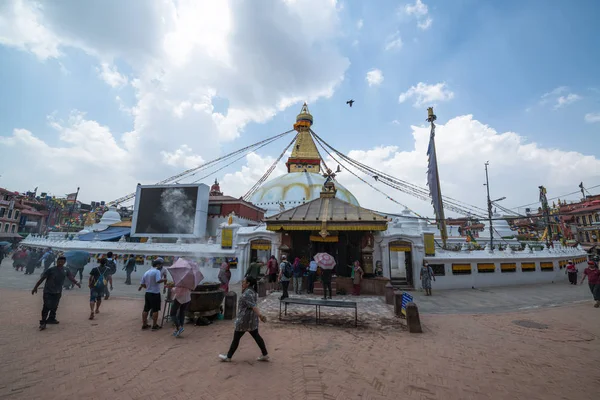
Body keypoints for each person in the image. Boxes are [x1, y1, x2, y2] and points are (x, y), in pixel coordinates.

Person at [219, 276, 269, 362]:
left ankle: (228, 356)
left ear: (248, 283)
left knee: (236, 338)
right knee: (256, 336)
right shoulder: (252, 291)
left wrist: (260, 315)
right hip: (251, 319)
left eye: (244, 282)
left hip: (244, 320)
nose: (242, 283)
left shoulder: (247, 293)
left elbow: (253, 306)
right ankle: (265, 354)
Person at [31, 256, 81, 330]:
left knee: (55, 306)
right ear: (57, 261)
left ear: (65, 262)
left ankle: (51, 318)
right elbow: (42, 279)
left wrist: (76, 282)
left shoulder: (66, 270)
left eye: (63, 261)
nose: (61, 262)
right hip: (48, 291)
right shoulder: (51, 270)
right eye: (59, 261)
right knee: (46, 306)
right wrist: (35, 287)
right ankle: (43, 322)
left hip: (58, 291)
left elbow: (70, 277)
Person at [138, 258, 168, 330]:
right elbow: (158, 280)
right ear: (157, 265)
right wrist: (164, 279)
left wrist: (148, 287)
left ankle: (144, 324)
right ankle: (154, 325)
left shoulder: (147, 272)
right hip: (155, 293)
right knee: (155, 309)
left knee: (146, 309)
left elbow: (142, 283)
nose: (161, 266)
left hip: (148, 293)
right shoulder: (157, 271)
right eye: (160, 265)